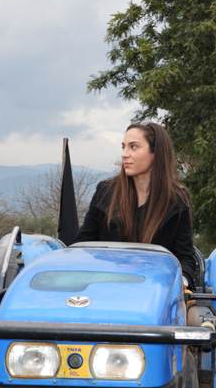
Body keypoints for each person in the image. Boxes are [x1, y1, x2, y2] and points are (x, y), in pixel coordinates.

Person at [74, 122, 197, 290]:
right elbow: (82, 247)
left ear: (155, 153)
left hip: (154, 291)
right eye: (123, 147)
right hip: (106, 287)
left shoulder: (177, 200)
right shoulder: (105, 192)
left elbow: (186, 258)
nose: (125, 154)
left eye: (133, 147)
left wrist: (180, 283)